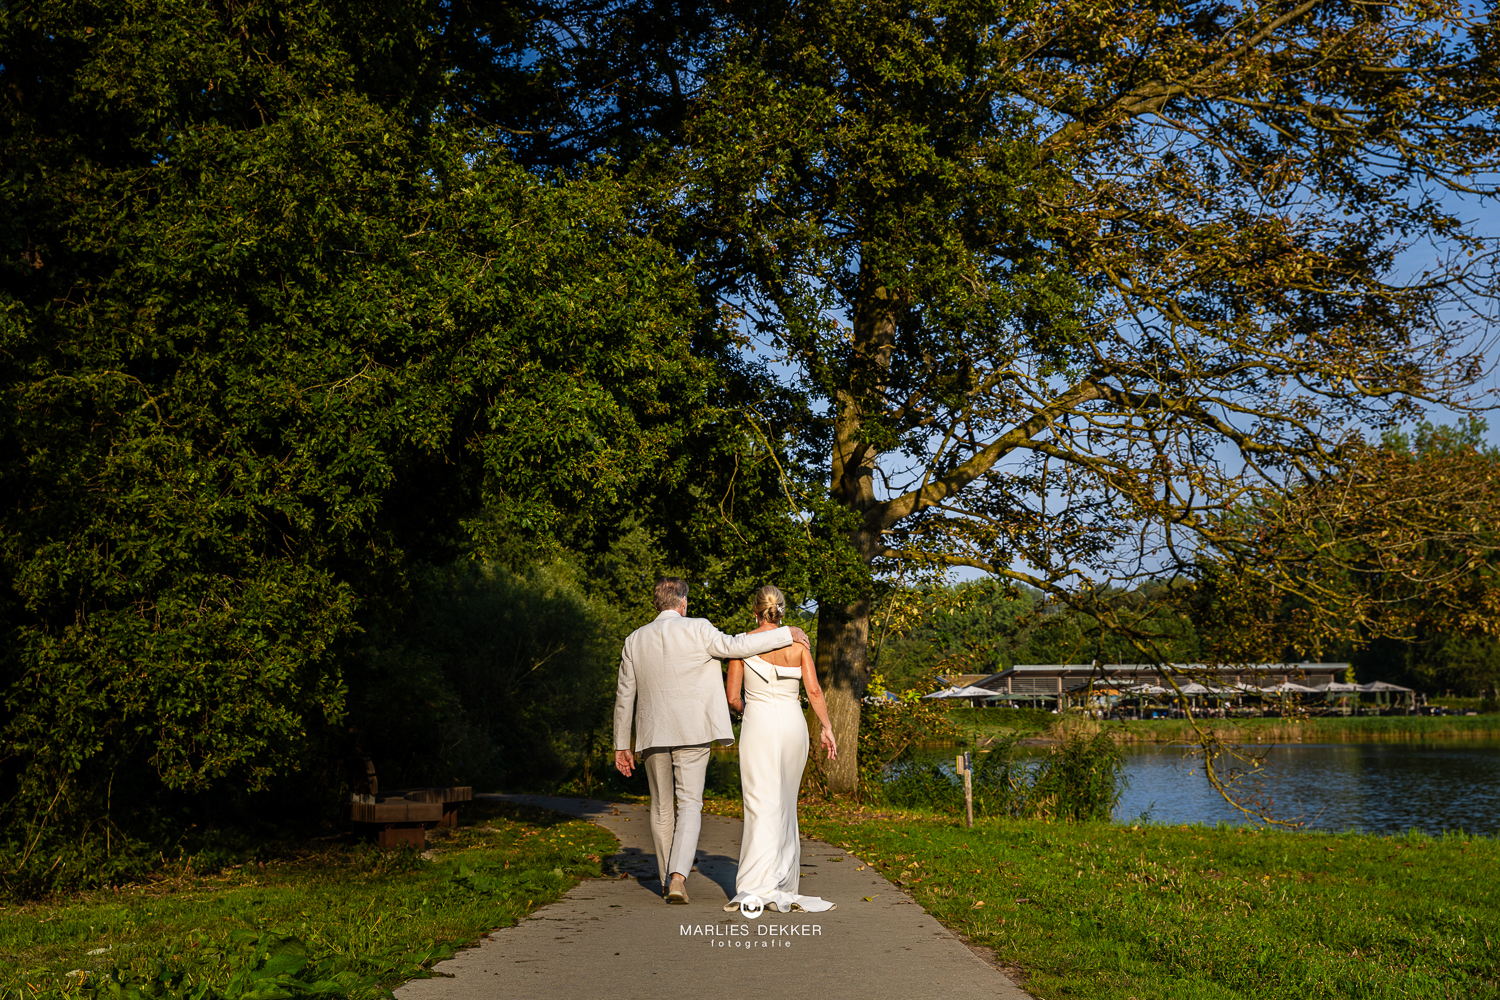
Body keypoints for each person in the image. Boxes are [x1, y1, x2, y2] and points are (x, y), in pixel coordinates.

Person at [613, 577, 805, 905]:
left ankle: (666, 879)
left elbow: (624, 695)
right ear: (683, 603)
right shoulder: (698, 628)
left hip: (652, 732)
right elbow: (737, 647)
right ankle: (678, 878)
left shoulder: (634, 640)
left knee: (661, 807)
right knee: (690, 803)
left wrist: (621, 744)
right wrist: (786, 633)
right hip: (694, 730)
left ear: (656, 604)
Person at [723, 584, 838, 913]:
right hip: (792, 726)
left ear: (754, 611)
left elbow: (733, 699)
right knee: (786, 804)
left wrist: (749, 709)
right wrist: (827, 728)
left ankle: (753, 887)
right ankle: (783, 883)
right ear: (781, 612)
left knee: (759, 803)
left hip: (758, 727)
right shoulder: (798, 644)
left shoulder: (741, 646)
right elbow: (814, 692)